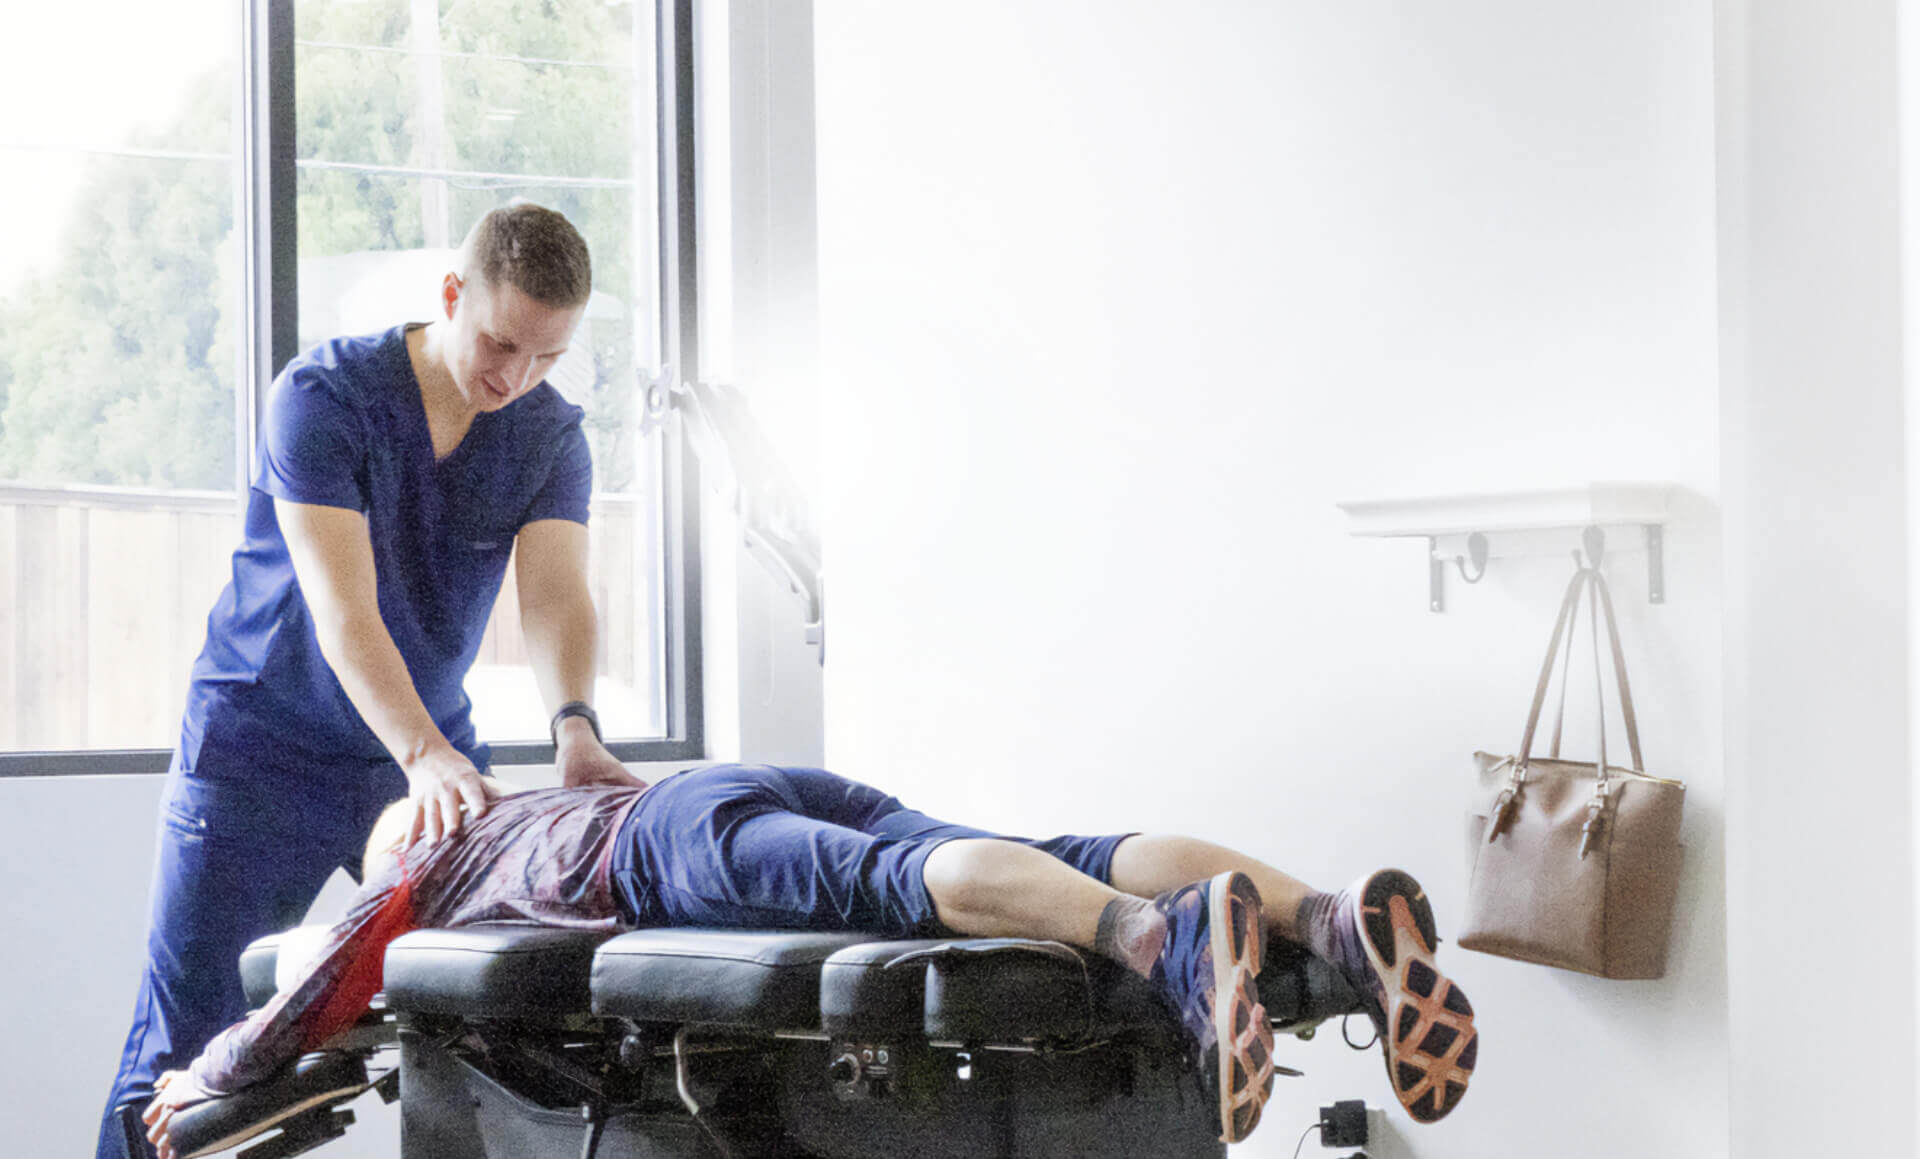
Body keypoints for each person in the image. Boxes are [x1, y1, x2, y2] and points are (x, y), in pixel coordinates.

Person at [98, 203, 647, 1159]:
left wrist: (575, 728)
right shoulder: (324, 396)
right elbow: (345, 612)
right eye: (501, 342)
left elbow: (556, 595)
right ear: (451, 296)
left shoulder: (549, 433)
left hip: (420, 757)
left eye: (546, 359)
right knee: (184, 1055)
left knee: (485, 1022)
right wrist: (427, 752)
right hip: (258, 753)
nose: (515, 378)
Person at [141, 764, 1480, 1155]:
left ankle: (1166, 939)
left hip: (663, 846)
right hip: (740, 776)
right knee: (1040, 840)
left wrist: (212, 1064)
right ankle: (1331, 922)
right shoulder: (529, 798)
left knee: (888, 890)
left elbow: (319, 983)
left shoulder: (423, 855)